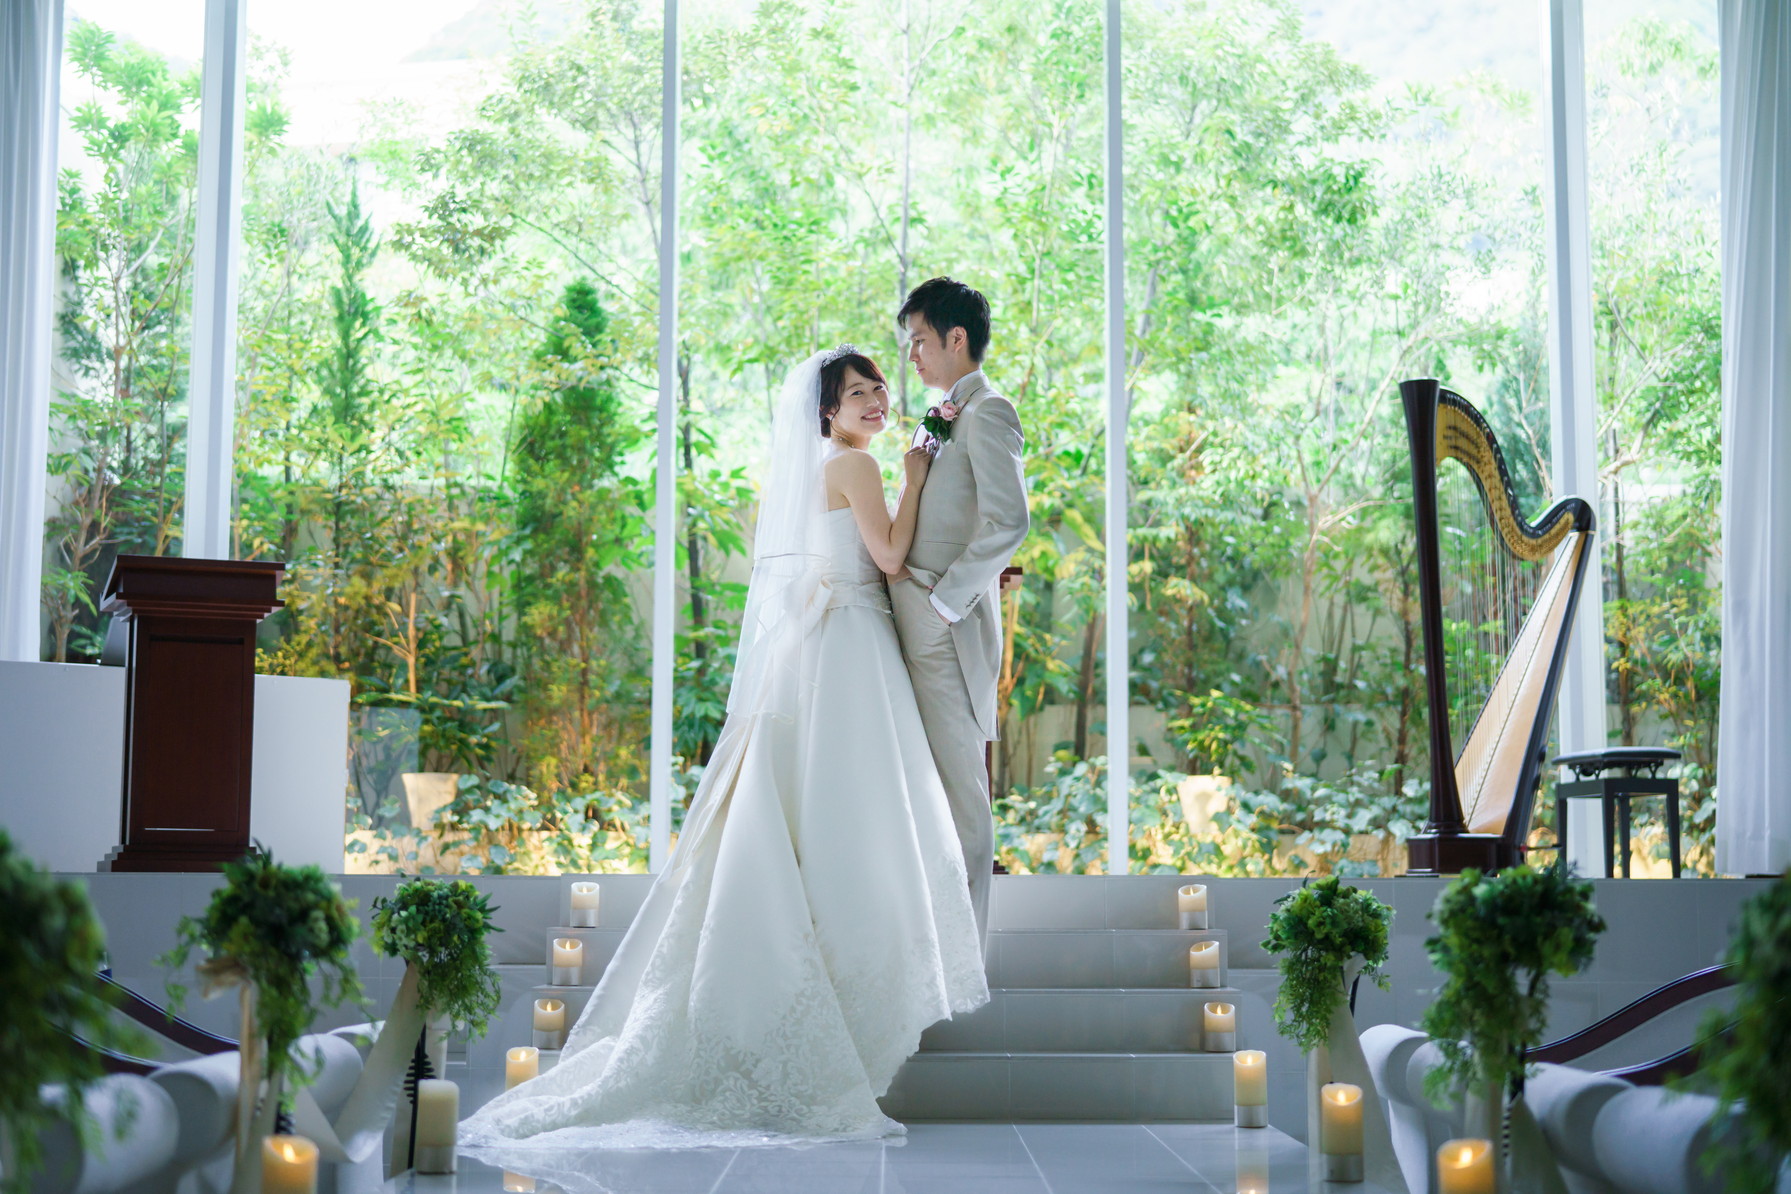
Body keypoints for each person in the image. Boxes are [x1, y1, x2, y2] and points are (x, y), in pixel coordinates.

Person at [458, 347, 988, 1155]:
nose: (878, 400)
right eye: (858, 392)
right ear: (827, 410)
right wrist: (915, 479)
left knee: (819, 807)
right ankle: (848, 980)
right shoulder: (856, 467)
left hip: (820, 643)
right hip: (851, 640)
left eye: (880, 387)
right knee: (857, 813)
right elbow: (886, 558)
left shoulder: (817, 467)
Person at [890, 277, 1029, 949]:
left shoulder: (990, 411)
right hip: (910, 615)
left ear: (956, 338)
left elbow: (1009, 521)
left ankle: (966, 962)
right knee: (921, 790)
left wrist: (944, 602)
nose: (912, 355)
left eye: (919, 340)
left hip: (944, 624)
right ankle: (928, 953)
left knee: (962, 796)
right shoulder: (942, 415)